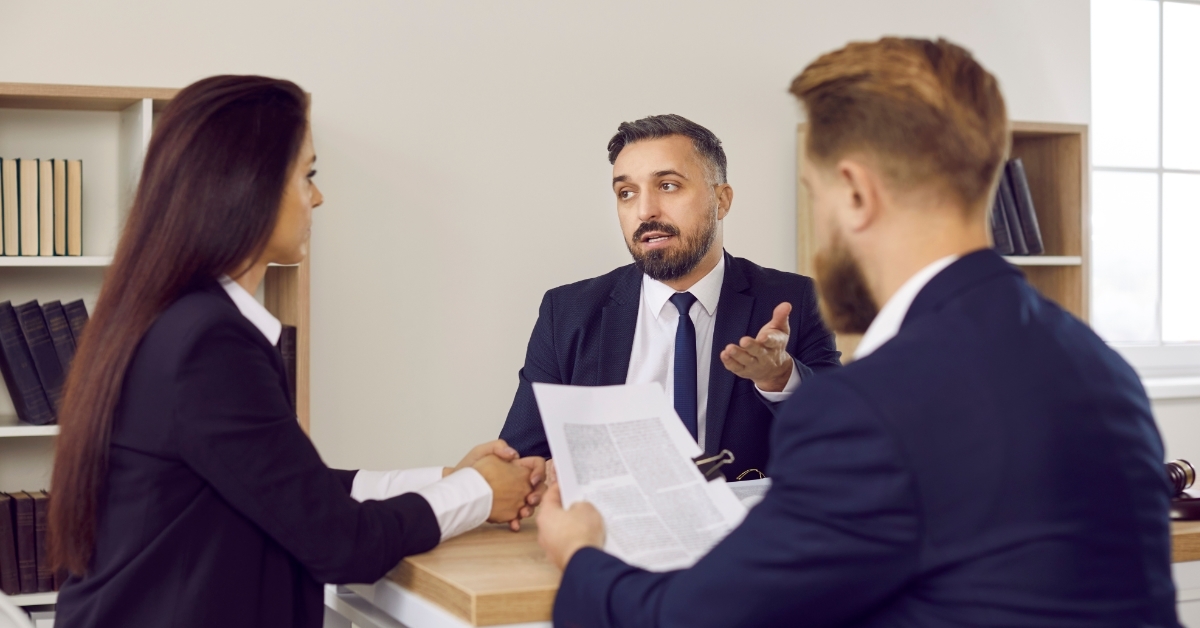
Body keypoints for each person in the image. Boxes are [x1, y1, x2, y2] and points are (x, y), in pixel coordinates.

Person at [536, 37, 1178, 627]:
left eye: (814, 193)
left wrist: (579, 556)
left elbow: (693, 622)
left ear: (856, 195)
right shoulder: (1102, 367)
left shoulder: (869, 409)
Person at [47, 75, 544, 628]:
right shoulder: (208, 342)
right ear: (248, 185)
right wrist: (478, 492)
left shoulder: (175, 317)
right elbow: (339, 544)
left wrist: (448, 476)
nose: (319, 196)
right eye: (307, 175)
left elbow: (284, 483)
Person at [499, 115, 841, 481]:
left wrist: (780, 378)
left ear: (721, 200)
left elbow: (843, 439)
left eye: (668, 185)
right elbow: (521, 456)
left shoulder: (794, 301)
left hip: (750, 530)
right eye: (626, 193)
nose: (645, 211)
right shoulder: (567, 313)